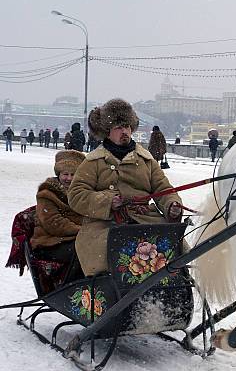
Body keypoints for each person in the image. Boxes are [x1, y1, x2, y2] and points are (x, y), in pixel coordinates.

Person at [68, 98, 183, 277]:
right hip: (105, 225)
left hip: (146, 220)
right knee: (108, 253)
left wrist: (172, 205)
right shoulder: (92, 162)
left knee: (177, 248)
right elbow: (76, 195)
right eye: (118, 128)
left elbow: (163, 189)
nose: (125, 132)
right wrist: (107, 201)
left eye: (127, 127)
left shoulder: (146, 160)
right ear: (107, 132)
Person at [30, 150, 86, 286]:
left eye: (73, 175)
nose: (69, 178)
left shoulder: (81, 193)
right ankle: (70, 288)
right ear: (58, 174)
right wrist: (83, 230)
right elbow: (54, 223)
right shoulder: (47, 194)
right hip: (50, 242)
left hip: (73, 238)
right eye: (65, 174)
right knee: (82, 250)